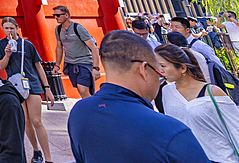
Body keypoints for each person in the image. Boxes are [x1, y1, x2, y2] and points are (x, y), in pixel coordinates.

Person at [68, 30, 210, 162]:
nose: (161, 80)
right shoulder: (170, 131)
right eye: (159, 73)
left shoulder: (79, 111)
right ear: (143, 69)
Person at [155, 42, 239, 163]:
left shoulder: (212, 92)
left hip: (222, 158)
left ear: (183, 68)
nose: (159, 70)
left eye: (163, 65)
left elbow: (235, 127)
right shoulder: (166, 91)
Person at [0, 17, 54, 163]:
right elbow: (1, 67)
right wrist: (7, 54)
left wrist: (47, 88)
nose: (9, 31)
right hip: (15, 86)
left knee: (36, 120)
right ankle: (36, 151)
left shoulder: (27, 44)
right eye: (6, 28)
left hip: (31, 83)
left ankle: (49, 158)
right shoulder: (1, 44)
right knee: (25, 121)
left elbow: (38, 66)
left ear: (17, 27)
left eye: (11, 28)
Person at [52, 5, 100, 98]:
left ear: (66, 15)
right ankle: (93, 106)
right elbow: (59, 48)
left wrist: (96, 68)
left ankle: (91, 110)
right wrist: (57, 65)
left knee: (82, 89)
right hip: (70, 63)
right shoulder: (58, 30)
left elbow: (94, 48)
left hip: (84, 62)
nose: (55, 17)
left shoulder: (78, 28)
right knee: (81, 90)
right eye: (54, 15)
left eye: (58, 15)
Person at [170, 16, 229, 80]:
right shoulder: (175, 47)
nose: (174, 30)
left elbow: (217, 64)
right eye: (172, 27)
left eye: (177, 27)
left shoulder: (199, 45)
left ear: (187, 30)